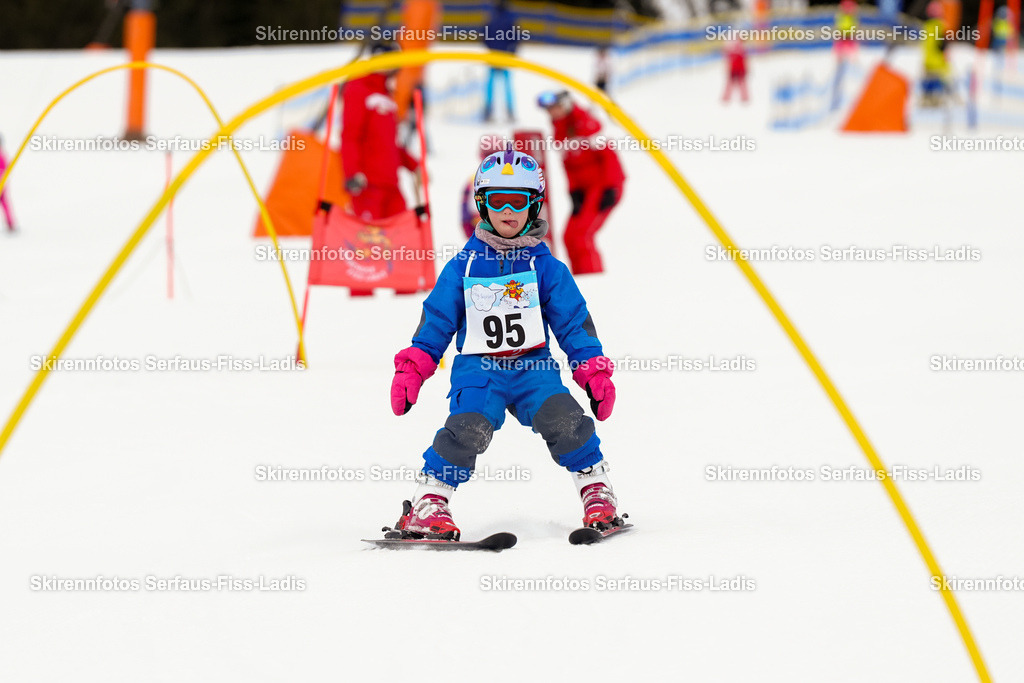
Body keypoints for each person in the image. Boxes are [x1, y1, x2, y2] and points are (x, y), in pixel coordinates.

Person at [387, 146, 623, 539]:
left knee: (565, 420)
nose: (508, 212)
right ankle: (429, 502)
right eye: (498, 201)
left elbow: (573, 322)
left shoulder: (546, 268)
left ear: (535, 205)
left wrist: (592, 370)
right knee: (468, 427)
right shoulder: (462, 267)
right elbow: (437, 321)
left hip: (535, 368)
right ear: (482, 204)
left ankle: (596, 488)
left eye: (519, 202)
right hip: (480, 370)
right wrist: (414, 365)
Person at [537, 90, 624, 275]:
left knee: (581, 235)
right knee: (569, 236)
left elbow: (609, 156)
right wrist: (574, 192)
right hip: (584, 190)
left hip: (603, 186)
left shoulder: (585, 123)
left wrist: (611, 187)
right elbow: (569, 165)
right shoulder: (560, 131)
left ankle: (592, 278)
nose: (553, 112)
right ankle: (580, 277)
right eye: (550, 110)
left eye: (556, 107)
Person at [341, 43, 419, 221]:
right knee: (369, 241)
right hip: (367, 185)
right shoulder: (359, 88)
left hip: (390, 183)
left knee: (399, 236)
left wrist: (414, 165)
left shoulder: (387, 95)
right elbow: (350, 136)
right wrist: (352, 173)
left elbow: (389, 143)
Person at [482, 0, 521, 122]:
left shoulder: (492, 18)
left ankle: (488, 110)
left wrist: (491, 49)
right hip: (504, 57)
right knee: (506, 86)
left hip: (494, 57)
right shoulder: (510, 20)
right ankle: (509, 111)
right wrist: (511, 52)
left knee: (491, 86)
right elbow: (516, 38)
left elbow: (483, 35)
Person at [0, 136, 16, 233]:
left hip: (2, 185)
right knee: (5, 204)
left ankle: (10, 224)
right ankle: (10, 224)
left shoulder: (1, 156)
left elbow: (5, 168)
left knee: (5, 204)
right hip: (3, 184)